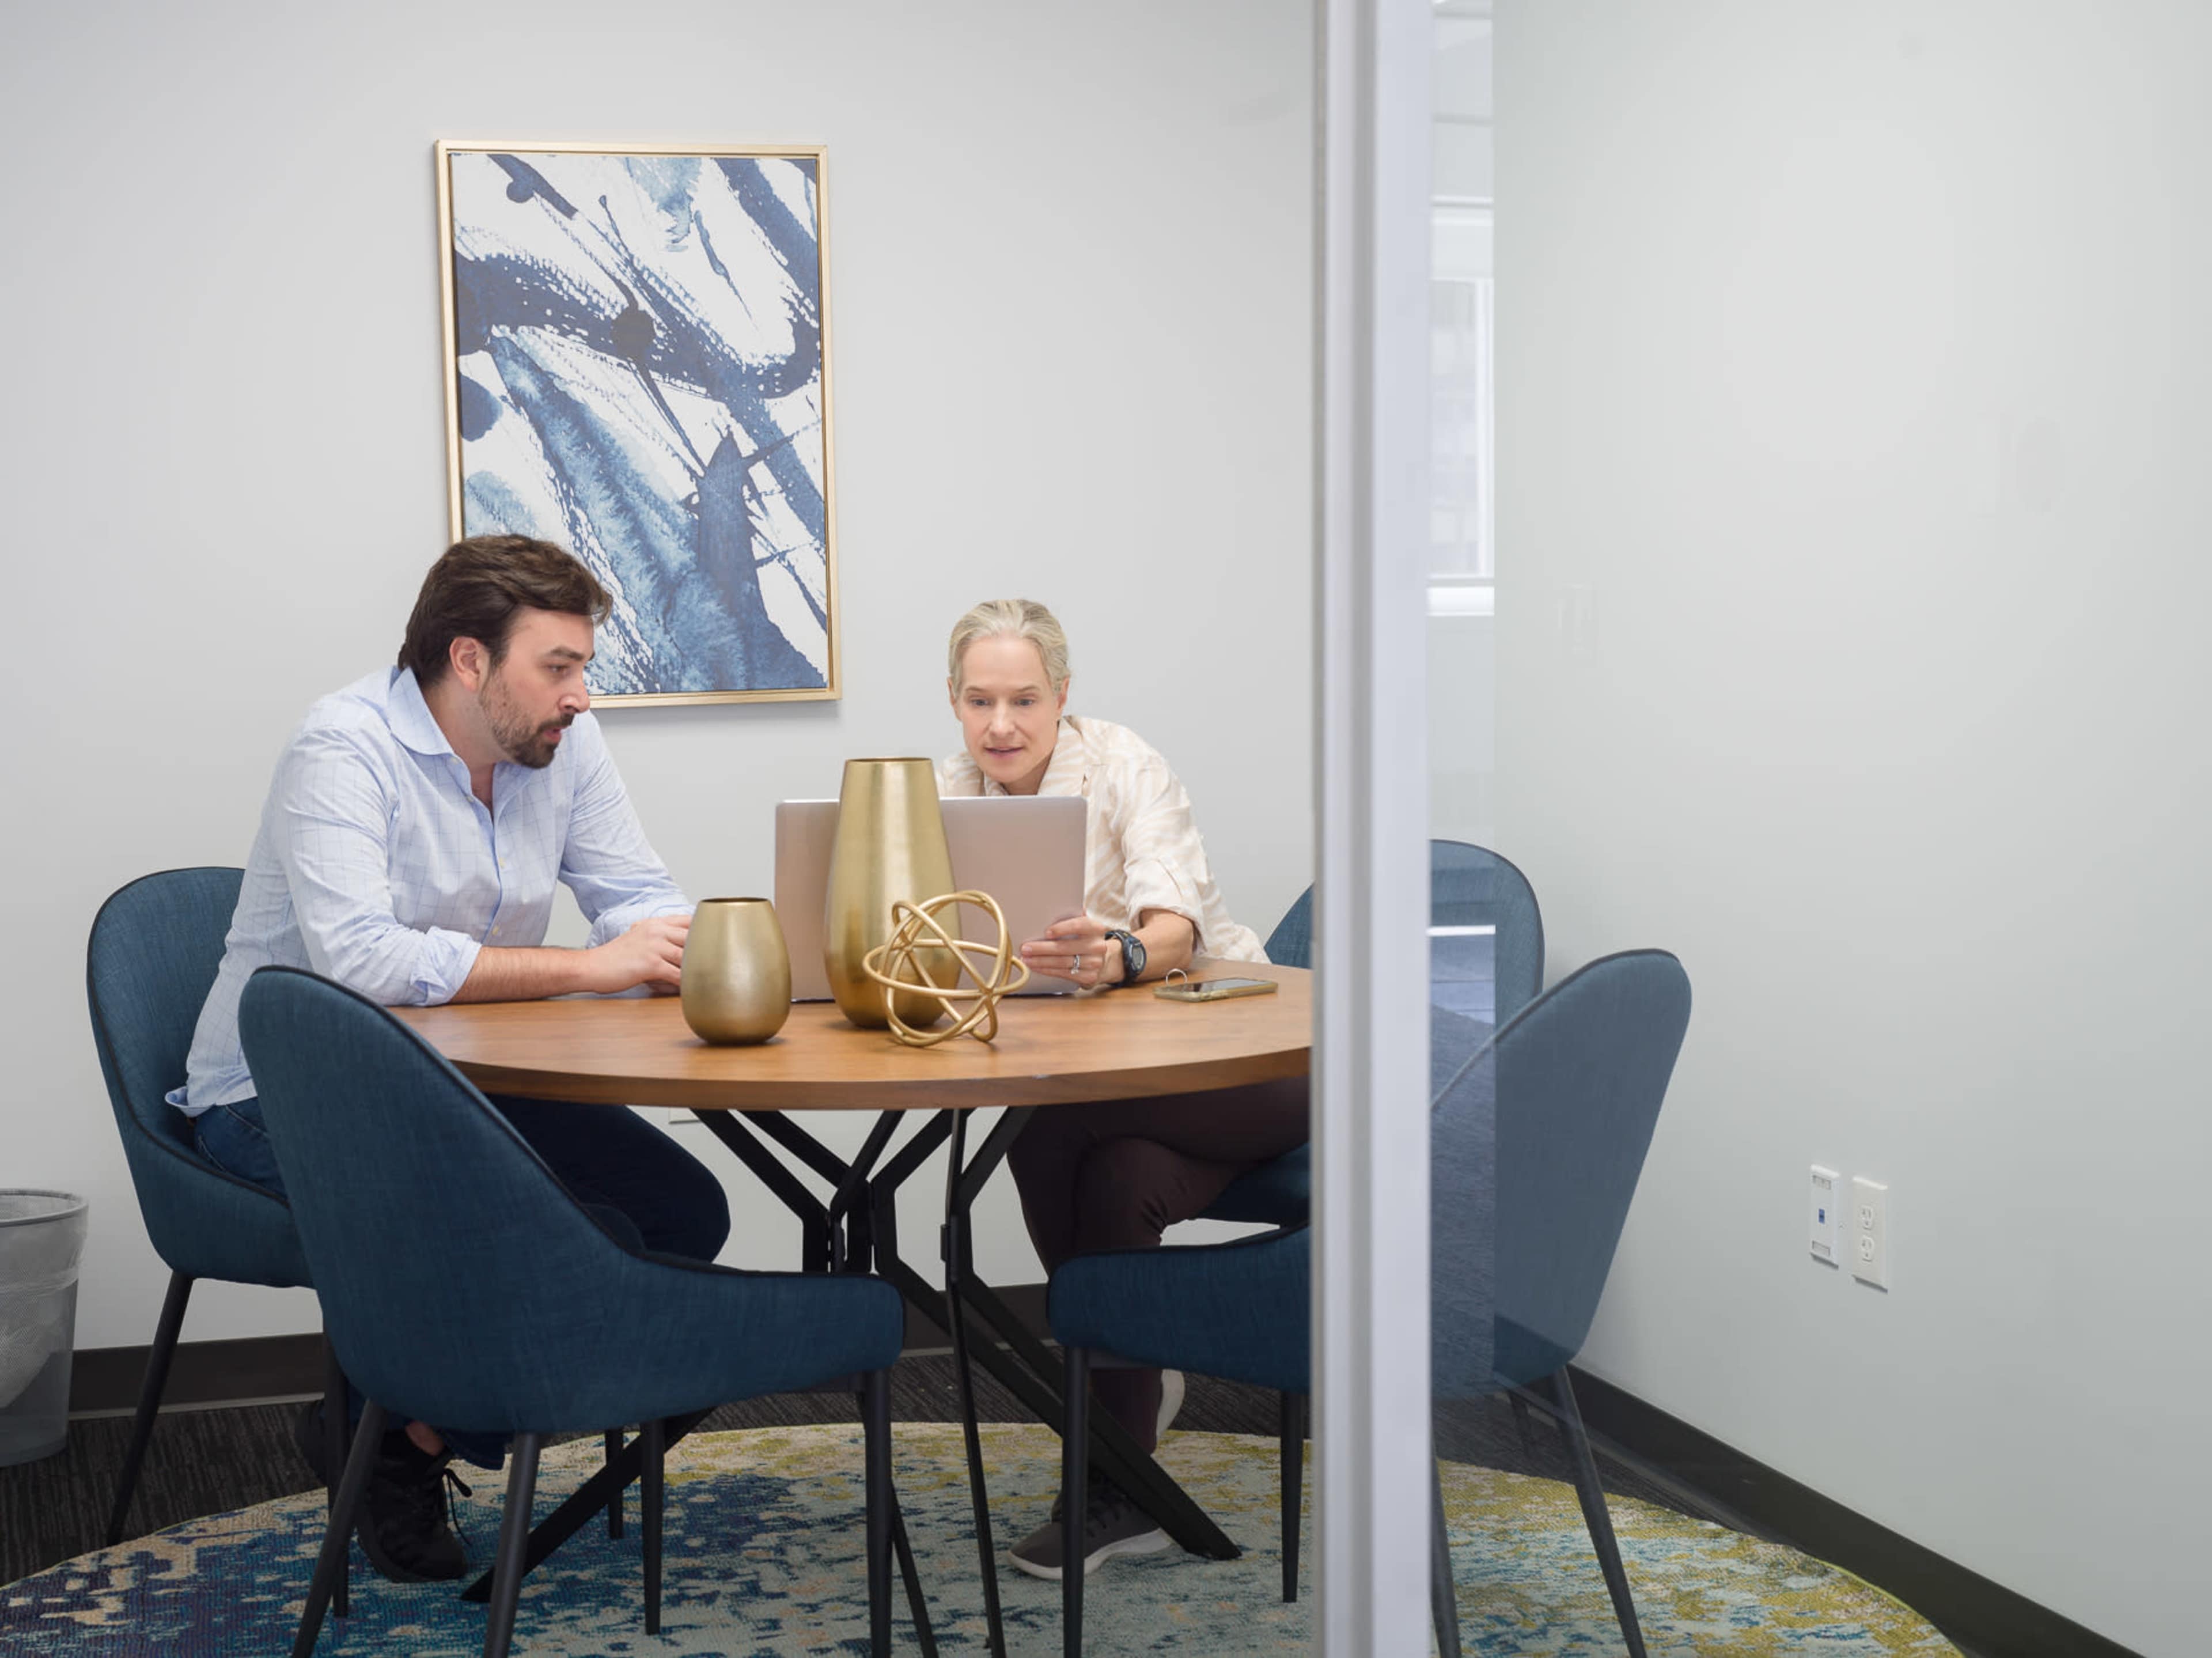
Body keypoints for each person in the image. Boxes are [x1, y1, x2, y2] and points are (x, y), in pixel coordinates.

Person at [168, 535, 731, 1584]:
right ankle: (401, 1451)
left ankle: (403, 1429)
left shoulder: (561, 746)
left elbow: (636, 894)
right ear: (470, 661)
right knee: (577, 1239)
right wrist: (590, 966)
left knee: (682, 1216)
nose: (582, 695)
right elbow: (361, 959)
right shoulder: (342, 746)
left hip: (462, 1085)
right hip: (278, 1094)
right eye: (558, 666)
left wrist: (698, 944)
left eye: (583, 666)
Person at [937, 598, 1308, 1582]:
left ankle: (1109, 1411)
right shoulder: (944, 793)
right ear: (954, 701)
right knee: (1116, 1179)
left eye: (1024, 698)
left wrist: (1123, 952)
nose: (1002, 723)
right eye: (980, 700)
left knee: (1047, 1124)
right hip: (1126, 1102)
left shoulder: (1123, 763)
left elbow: (1173, 926)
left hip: (1247, 1064)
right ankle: (1123, 1473)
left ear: (1063, 696)